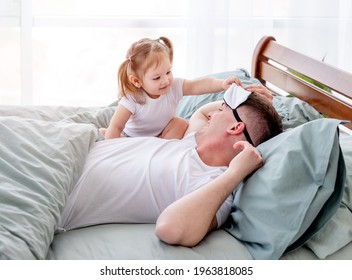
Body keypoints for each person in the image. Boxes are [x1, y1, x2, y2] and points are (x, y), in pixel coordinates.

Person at [58, 85, 282, 247]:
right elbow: (202, 112)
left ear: (234, 129)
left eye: (221, 110)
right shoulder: (190, 141)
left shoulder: (215, 188)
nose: (213, 113)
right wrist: (254, 98)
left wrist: (236, 172)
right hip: (67, 151)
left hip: (58, 190)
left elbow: (170, 228)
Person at [100, 36, 239, 140]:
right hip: (132, 138)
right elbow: (116, 126)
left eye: (168, 72)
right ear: (137, 81)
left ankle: (160, 148)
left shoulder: (174, 86)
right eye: (157, 78)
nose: (166, 80)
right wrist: (111, 145)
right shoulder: (132, 98)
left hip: (160, 135)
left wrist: (221, 84)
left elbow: (198, 85)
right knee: (108, 134)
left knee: (180, 123)